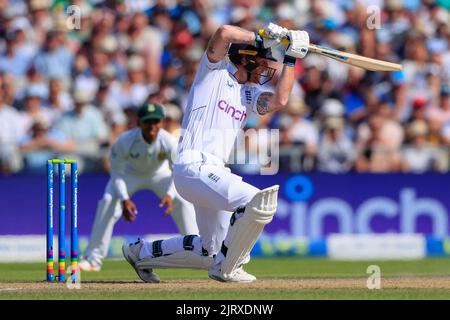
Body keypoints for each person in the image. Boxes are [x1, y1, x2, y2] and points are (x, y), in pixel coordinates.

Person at [122, 23, 309, 282]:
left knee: (211, 249)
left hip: (211, 172)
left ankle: (139, 253)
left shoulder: (249, 94)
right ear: (247, 59)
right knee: (258, 202)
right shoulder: (213, 71)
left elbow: (280, 100)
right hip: (194, 165)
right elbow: (223, 33)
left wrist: (291, 59)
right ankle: (228, 268)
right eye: (263, 62)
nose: (265, 71)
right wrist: (262, 37)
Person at [79, 103, 198, 274]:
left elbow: (177, 172)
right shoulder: (124, 141)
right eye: (148, 121)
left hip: (161, 174)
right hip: (130, 175)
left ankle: (197, 252)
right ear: (139, 122)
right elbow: (116, 174)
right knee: (108, 201)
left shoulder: (169, 141)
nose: (152, 126)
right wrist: (124, 199)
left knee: (182, 199)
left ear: (161, 123)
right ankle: (93, 259)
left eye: (156, 121)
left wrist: (170, 195)